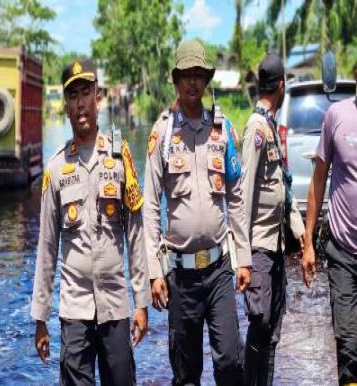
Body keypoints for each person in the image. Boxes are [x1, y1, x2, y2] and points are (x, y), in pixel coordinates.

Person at [30, 59, 151, 386]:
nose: (80, 102)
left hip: (115, 307)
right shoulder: (55, 168)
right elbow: (46, 248)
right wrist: (40, 317)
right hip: (74, 311)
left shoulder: (119, 156)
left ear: (98, 97)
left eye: (86, 93)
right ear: (66, 107)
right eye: (73, 96)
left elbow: (136, 236)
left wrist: (142, 302)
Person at [144, 39, 252, 386]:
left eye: (198, 75)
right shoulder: (162, 133)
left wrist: (245, 258)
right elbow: (149, 205)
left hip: (220, 269)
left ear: (206, 80)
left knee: (231, 361)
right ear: (175, 80)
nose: (192, 82)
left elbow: (235, 194)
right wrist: (153, 273)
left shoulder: (222, 130)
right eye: (186, 75)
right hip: (180, 275)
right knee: (186, 374)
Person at [240, 53, 305, 386]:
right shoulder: (256, 129)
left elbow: (283, 183)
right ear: (281, 86)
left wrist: (298, 229)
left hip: (275, 246)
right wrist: (243, 259)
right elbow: (243, 195)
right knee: (260, 323)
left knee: (273, 327)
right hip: (259, 248)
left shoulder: (270, 126)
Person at [302, 62, 357, 386]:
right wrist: (308, 242)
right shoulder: (337, 116)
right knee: (348, 344)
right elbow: (318, 180)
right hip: (343, 251)